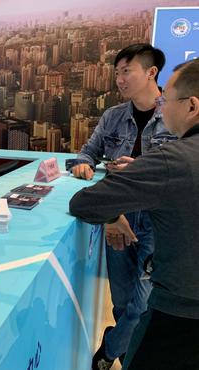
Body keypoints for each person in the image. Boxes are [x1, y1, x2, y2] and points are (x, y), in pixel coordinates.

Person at [69, 58, 199, 370]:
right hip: (137, 227)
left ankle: (109, 352)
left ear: (192, 106)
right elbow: (87, 152)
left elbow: (84, 203)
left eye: (166, 99)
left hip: (177, 309)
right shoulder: (114, 116)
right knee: (124, 301)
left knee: (139, 306)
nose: (162, 106)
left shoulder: (176, 157)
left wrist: (137, 174)